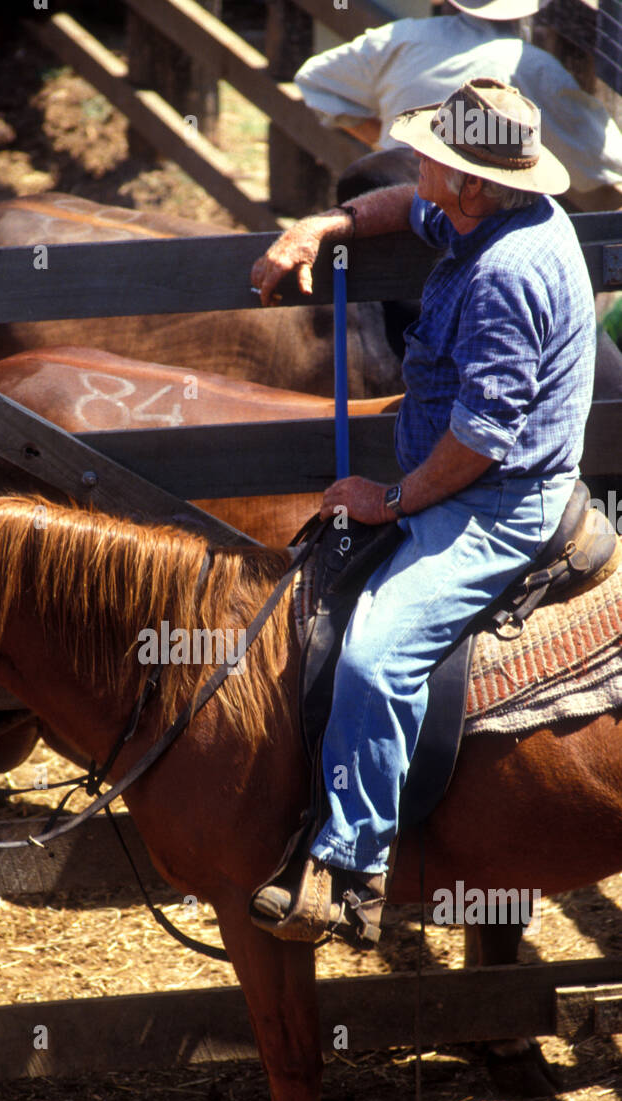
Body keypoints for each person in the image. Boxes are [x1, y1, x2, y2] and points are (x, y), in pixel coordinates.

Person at [248, 78, 596, 942]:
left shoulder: (507, 274)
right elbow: (410, 207)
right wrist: (328, 225)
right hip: (477, 479)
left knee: (375, 654)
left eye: (437, 158)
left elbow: (480, 438)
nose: (421, 166)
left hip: (496, 501)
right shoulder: (489, 214)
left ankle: (353, 863)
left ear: (473, 183)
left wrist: (390, 498)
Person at [295, 0, 622, 212]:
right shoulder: (534, 69)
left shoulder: (399, 38)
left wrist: (386, 142)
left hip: (391, 201)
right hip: (472, 215)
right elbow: (606, 160)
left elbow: (315, 80)